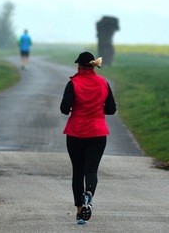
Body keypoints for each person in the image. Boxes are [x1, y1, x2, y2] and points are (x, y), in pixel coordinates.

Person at [60, 51, 116, 225]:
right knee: (91, 171)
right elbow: (111, 109)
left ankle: (79, 212)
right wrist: (99, 109)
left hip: (76, 132)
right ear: (92, 66)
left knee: (78, 171)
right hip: (98, 133)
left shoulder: (73, 83)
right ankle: (88, 196)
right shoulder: (103, 83)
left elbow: (64, 108)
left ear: (79, 66)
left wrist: (74, 108)